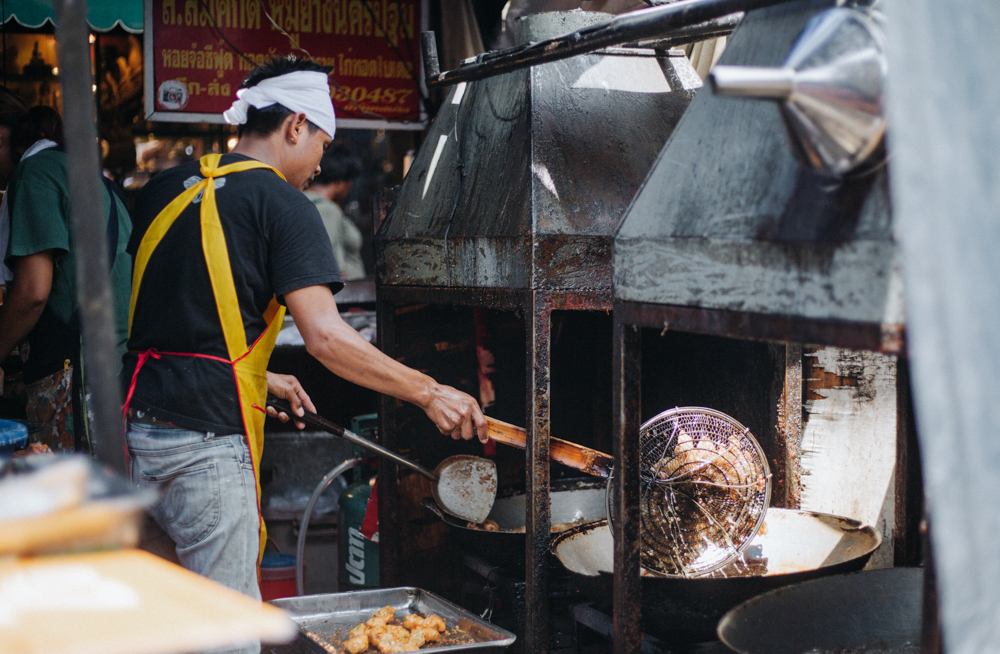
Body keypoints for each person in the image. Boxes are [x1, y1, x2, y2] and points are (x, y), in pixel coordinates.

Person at [122, 56, 486, 651]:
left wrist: (261, 378)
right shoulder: (285, 204)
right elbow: (326, 337)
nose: (321, 159)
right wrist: (429, 391)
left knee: (168, 625)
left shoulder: (165, 186)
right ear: (295, 125)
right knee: (226, 633)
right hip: (208, 451)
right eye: (321, 138)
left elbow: (181, 319)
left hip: (138, 436)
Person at [0, 105, 132, 452]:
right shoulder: (98, 179)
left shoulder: (34, 173)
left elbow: (32, 291)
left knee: (68, 495)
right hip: (118, 373)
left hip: (75, 374)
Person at [304, 145, 366, 279]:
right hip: (346, 294)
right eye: (350, 182)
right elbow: (331, 258)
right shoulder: (327, 209)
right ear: (340, 182)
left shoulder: (302, 202)